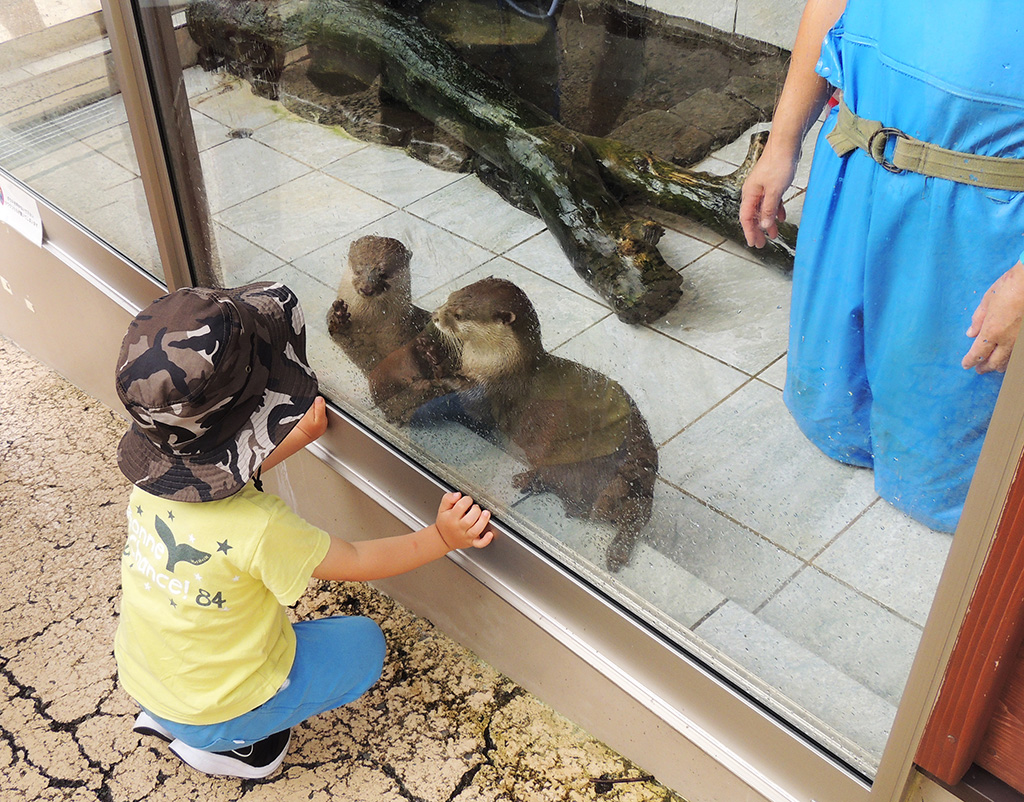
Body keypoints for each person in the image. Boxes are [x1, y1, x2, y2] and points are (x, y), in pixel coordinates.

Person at [113, 282, 494, 779]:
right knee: (364, 645)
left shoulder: (152, 486)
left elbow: (216, 477)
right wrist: (442, 538)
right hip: (214, 708)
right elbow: (355, 561)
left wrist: (299, 435)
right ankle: (235, 744)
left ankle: (179, 719)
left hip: (149, 676)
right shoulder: (260, 529)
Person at [739, 0, 1024, 532]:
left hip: (987, 216)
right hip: (855, 162)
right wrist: (781, 144)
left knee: (945, 472)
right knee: (831, 404)